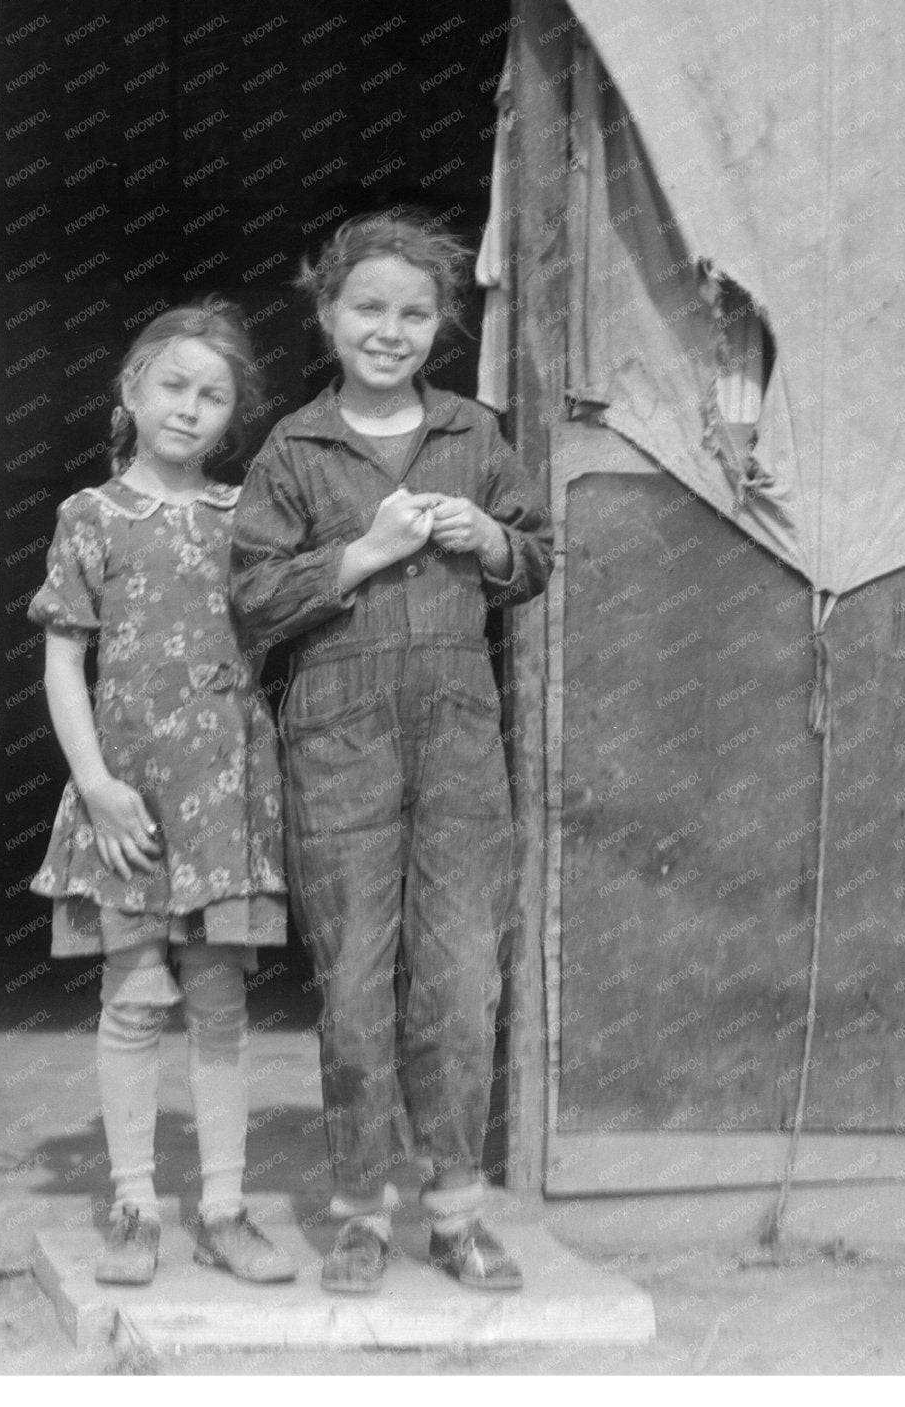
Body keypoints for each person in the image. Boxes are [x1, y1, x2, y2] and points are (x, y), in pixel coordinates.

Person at [230, 210, 553, 1295]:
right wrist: (361, 552)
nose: (390, 329)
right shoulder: (294, 448)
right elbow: (252, 597)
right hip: (337, 733)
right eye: (367, 307)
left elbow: (539, 553)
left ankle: (455, 1214)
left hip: (459, 733)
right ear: (326, 315)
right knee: (357, 982)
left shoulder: (473, 433)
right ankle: (361, 1212)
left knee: (461, 979)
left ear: (440, 327)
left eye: (414, 313)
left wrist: (493, 540)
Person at [27, 297, 296, 1288]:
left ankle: (223, 1208)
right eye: (172, 386)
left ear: (235, 416)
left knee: (219, 1000)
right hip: (127, 800)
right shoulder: (89, 518)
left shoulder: (245, 518)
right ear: (131, 391)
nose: (189, 409)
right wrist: (93, 783)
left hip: (221, 795)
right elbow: (64, 661)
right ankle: (134, 1204)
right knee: (134, 998)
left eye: (213, 395)